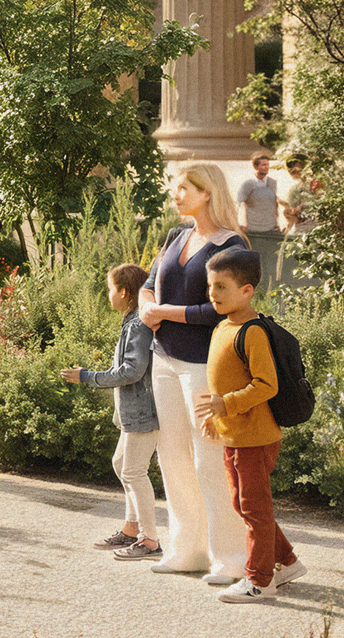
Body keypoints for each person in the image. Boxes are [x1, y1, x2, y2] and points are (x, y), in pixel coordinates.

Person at [136, 162, 254, 585]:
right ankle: (187, 549)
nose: (176, 194)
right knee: (173, 457)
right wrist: (145, 303)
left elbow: (221, 308)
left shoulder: (232, 245)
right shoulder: (176, 237)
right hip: (164, 359)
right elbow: (149, 281)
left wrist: (164, 311)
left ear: (207, 193)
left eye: (183, 187)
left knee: (210, 460)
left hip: (206, 365)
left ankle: (230, 559)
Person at [194, 247, 307, 603]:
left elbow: (266, 385)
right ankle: (285, 561)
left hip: (255, 439)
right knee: (244, 504)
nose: (212, 294)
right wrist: (217, 415)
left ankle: (259, 580)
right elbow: (223, 382)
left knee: (255, 509)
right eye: (210, 286)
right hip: (236, 434)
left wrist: (224, 404)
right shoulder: (222, 327)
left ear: (246, 291)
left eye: (221, 287)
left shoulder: (252, 331)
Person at [65, 263, 164, 561]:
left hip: (143, 412)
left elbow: (132, 371)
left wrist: (88, 377)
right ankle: (131, 529)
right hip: (133, 411)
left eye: (110, 289)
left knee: (133, 471)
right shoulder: (131, 320)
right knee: (121, 464)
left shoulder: (137, 324)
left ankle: (150, 541)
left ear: (123, 291)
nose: (107, 295)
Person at [237, 154, 284, 291]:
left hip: (270, 230)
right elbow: (240, 204)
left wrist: (278, 223)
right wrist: (241, 224)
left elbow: (276, 204)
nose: (267, 167)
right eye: (263, 165)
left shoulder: (272, 183)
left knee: (271, 262)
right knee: (255, 262)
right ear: (255, 166)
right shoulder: (248, 184)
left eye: (268, 165)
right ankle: (255, 291)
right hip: (254, 231)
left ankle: (271, 290)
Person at [275, 154, 317, 286]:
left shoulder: (312, 185)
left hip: (309, 228)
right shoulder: (296, 188)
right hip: (303, 228)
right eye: (292, 170)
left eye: (298, 170)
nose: (295, 173)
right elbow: (292, 215)